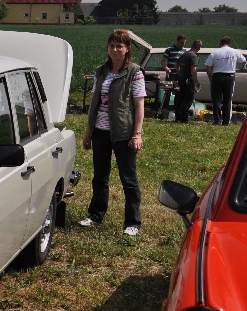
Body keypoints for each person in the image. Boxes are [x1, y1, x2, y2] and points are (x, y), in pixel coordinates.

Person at [79, 29, 146, 237]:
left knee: (129, 179)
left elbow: (139, 105)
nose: (115, 49)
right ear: (107, 48)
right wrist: (88, 132)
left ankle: (133, 222)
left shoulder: (134, 72)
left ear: (127, 49)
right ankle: (96, 215)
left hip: (123, 133)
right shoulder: (101, 71)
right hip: (100, 131)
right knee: (100, 176)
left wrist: (137, 134)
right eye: (112, 45)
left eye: (120, 46)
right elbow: (94, 103)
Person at [205, 36, 247, 126]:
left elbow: (208, 68)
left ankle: (217, 120)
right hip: (229, 76)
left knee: (216, 99)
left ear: (221, 43)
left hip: (217, 76)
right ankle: (226, 121)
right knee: (227, 100)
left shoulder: (215, 53)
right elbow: (244, 61)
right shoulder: (235, 51)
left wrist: (211, 78)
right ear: (229, 43)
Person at [159, 34, 187, 118]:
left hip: (179, 75)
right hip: (171, 75)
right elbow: (163, 61)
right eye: (181, 42)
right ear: (177, 41)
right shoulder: (169, 49)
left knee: (178, 92)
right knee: (168, 92)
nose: (183, 44)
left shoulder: (184, 51)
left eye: (184, 43)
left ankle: (176, 109)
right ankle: (164, 110)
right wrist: (166, 68)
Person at [174, 39, 202, 123]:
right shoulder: (193, 56)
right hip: (189, 79)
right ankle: (184, 118)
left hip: (182, 78)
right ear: (199, 47)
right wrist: (196, 81)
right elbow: (193, 69)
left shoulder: (184, 54)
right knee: (188, 99)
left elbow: (176, 64)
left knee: (181, 98)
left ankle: (178, 117)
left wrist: (180, 72)